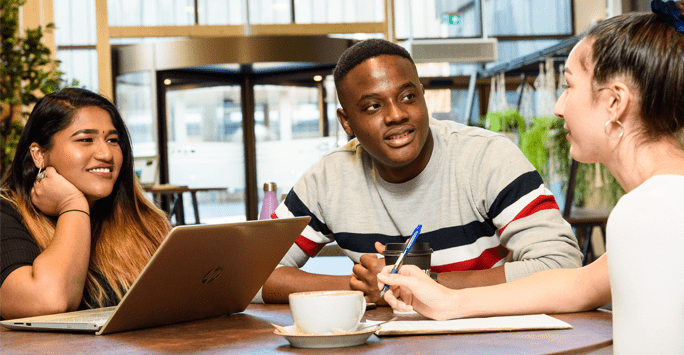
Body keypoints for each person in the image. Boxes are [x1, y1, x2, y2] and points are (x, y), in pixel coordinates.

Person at [378, 1, 684, 353]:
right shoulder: (663, 201)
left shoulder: (648, 212)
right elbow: (580, 285)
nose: (557, 107)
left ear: (615, 102)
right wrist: (447, 301)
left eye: (568, 86)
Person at [255, 38, 582, 305]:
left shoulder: (486, 157)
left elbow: (561, 265)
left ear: (424, 98)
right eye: (373, 106)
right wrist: (367, 288)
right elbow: (252, 276)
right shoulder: (327, 181)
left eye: (408, 96)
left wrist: (419, 284)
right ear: (347, 123)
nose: (396, 114)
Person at [0, 88, 170, 320]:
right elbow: (49, 301)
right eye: (85, 140)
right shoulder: (6, 214)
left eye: (112, 140)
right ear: (39, 154)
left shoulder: (143, 221)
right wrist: (72, 205)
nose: (106, 154)